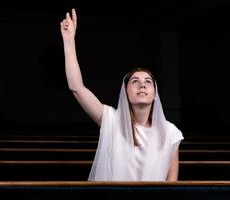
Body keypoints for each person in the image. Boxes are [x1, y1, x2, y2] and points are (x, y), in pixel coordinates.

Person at [60, 9, 184, 181]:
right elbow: (77, 87)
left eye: (148, 81)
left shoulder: (170, 133)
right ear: (125, 92)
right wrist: (68, 41)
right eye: (135, 81)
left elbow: (172, 185)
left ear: (155, 93)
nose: (142, 84)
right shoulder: (111, 120)